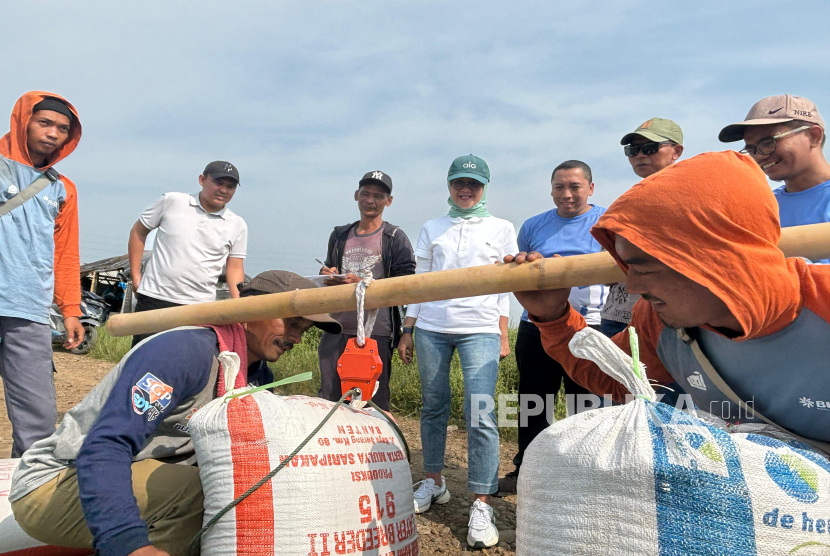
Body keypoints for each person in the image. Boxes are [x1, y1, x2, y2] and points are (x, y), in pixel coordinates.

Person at [509, 151, 830, 449]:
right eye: (627, 268)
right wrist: (553, 317)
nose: (631, 288)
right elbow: (615, 377)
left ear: (717, 258)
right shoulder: (659, 321)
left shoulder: (822, 300)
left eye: (645, 269)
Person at [10, 271, 342, 556]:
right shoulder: (185, 353)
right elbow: (106, 446)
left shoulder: (253, 377)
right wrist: (128, 543)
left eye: (304, 328)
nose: (297, 337)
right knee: (205, 495)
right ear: (249, 310)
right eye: (291, 322)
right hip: (59, 481)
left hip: (133, 474)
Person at [397, 154, 518, 549]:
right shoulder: (432, 227)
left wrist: (502, 333)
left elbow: (505, 285)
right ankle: (434, 482)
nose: (466, 190)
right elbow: (419, 282)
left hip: (479, 328)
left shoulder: (501, 228)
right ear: (449, 185)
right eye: (459, 183)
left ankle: (481, 501)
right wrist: (408, 329)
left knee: (480, 411)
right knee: (433, 405)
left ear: (484, 187)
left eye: (474, 184)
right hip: (432, 327)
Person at [496, 160, 607, 496]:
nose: (567, 194)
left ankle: (585, 477)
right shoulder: (533, 226)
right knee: (533, 402)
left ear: (590, 188)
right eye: (559, 187)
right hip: (537, 326)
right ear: (551, 189)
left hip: (589, 327)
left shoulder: (607, 222)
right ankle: (526, 472)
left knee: (586, 404)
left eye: (575, 186)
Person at [0, 92, 84, 457]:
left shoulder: (62, 188)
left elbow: (65, 254)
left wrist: (70, 309)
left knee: (38, 417)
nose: (53, 133)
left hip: (28, 309)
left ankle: (28, 501)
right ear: (24, 121)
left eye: (62, 129)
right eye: (44, 122)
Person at [318, 170, 415, 411]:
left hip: (376, 331)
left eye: (378, 196)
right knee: (330, 398)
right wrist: (327, 274)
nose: (370, 200)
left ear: (388, 201)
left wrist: (361, 282)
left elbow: (405, 285)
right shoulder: (340, 235)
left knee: (371, 401)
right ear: (356, 196)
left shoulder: (395, 237)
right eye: (365, 194)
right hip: (336, 327)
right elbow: (331, 268)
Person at [128, 161, 248, 346]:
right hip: (156, 298)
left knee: (185, 364)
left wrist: (239, 307)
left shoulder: (237, 224)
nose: (223, 190)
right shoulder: (172, 201)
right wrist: (136, 276)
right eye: (218, 183)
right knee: (144, 361)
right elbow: (138, 232)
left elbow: (235, 269)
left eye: (230, 186)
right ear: (202, 179)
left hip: (199, 307)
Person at [719, 94, 830, 263]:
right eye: (752, 149)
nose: (759, 156)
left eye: (769, 142)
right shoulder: (762, 210)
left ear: (814, 136)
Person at [600, 117, 684, 337]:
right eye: (633, 149)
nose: (640, 155)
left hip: (671, 318)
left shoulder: (691, 199)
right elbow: (606, 269)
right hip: (618, 316)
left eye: (650, 148)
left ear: (676, 152)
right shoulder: (624, 203)